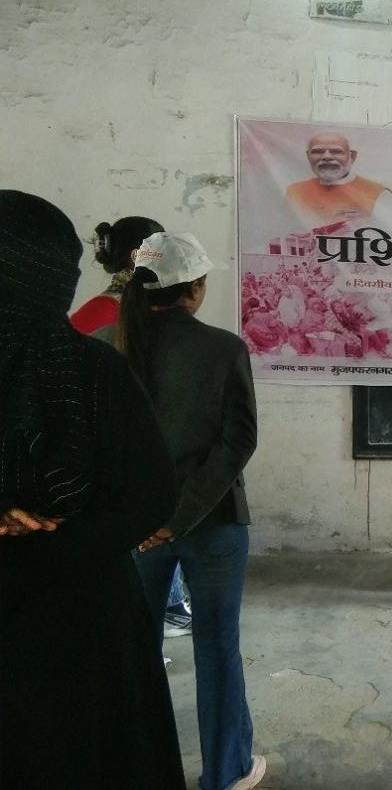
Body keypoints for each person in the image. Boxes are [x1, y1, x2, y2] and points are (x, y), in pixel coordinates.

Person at [0, 191, 185, 788]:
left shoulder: (99, 367)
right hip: (88, 610)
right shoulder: (95, 369)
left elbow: (150, 491)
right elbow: (150, 495)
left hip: (79, 622)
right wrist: (57, 548)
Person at [99, 231, 265, 790]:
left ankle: (139, 768)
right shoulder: (222, 348)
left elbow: (102, 450)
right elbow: (237, 442)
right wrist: (179, 517)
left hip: (134, 529)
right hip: (212, 520)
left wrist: (146, 518)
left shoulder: (105, 345)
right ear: (194, 289)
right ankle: (226, 772)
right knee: (217, 646)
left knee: (135, 652)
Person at [69, 215, 195, 640]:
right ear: (142, 255)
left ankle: (168, 605)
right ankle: (164, 610)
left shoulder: (110, 309)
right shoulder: (113, 314)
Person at [285, 132, 392, 225]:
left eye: (336, 151)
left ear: (352, 156)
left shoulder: (378, 193)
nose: (327, 157)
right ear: (308, 156)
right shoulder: (295, 191)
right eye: (318, 151)